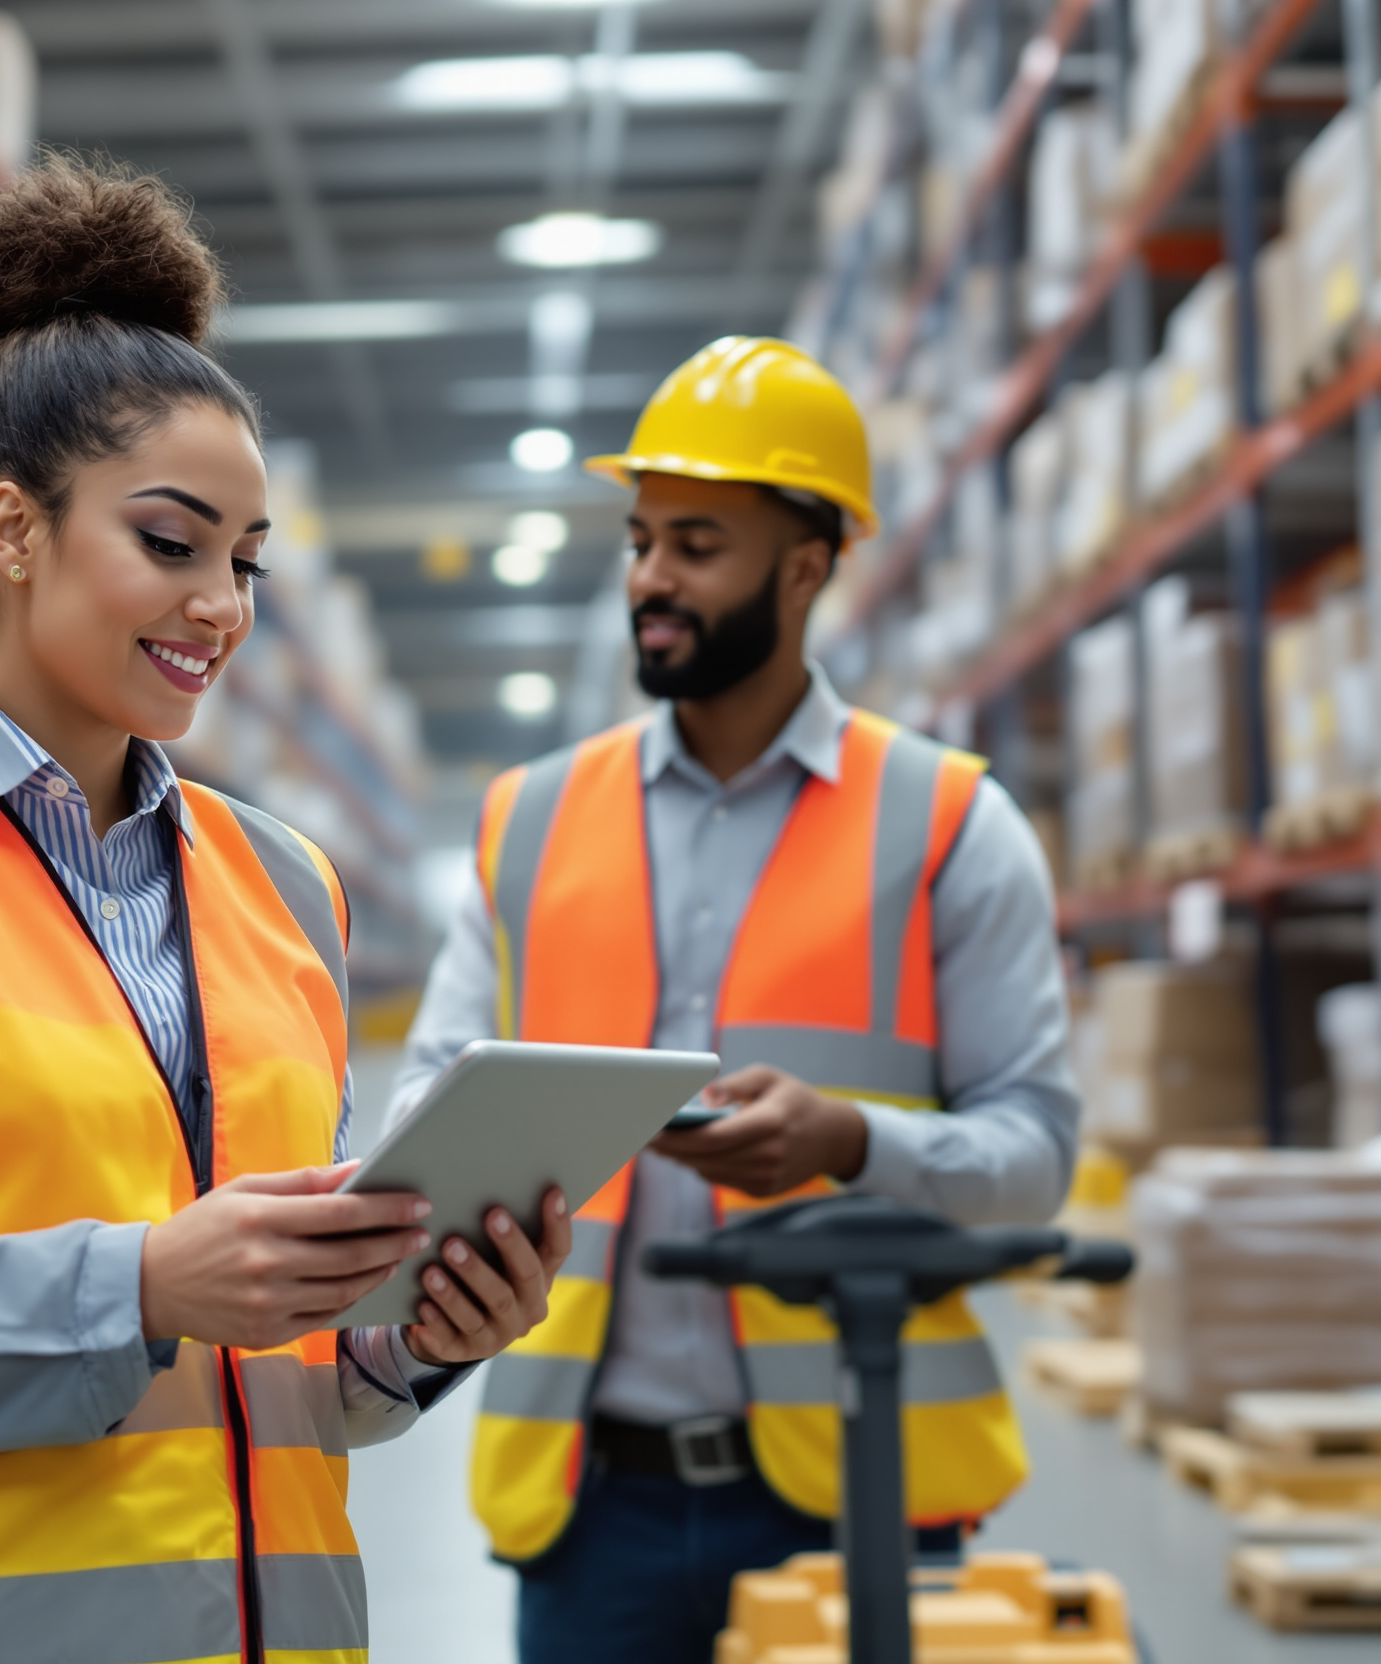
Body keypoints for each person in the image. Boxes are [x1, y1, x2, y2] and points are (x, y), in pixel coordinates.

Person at [0, 160, 569, 1664]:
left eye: (248, 563)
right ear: (13, 530)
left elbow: (280, 1375)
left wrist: (412, 1337)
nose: (224, 607)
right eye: (172, 542)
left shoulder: (283, 888)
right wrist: (135, 1283)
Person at [392, 337, 1079, 1664]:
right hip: (591, 1511)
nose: (651, 577)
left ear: (808, 566)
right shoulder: (528, 824)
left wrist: (853, 1143)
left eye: (698, 545)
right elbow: (424, 1110)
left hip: (861, 1498)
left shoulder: (948, 824)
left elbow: (1035, 1158)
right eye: (643, 539)